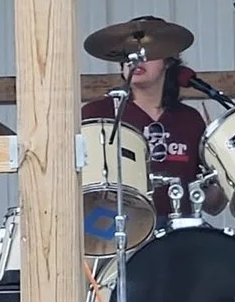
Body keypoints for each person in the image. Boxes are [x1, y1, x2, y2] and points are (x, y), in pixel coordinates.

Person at [80, 28, 224, 220]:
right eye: (129, 53)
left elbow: (213, 206)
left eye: (147, 52)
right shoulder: (97, 114)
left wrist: (224, 166)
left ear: (168, 61)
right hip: (117, 235)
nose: (136, 60)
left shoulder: (190, 120)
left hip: (181, 238)